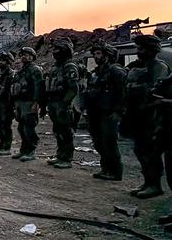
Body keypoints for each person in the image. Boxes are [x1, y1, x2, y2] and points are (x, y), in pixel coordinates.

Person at [122, 34, 170, 198]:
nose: (138, 51)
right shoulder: (139, 67)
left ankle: (154, 185)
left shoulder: (159, 67)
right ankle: (148, 182)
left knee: (151, 152)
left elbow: (154, 92)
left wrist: (136, 88)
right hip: (139, 115)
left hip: (152, 117)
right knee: (140, 150)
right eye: (137, 48)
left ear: (151, 50)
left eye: (141, 49)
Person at [84, 42, 126, 180]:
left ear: (107, 55)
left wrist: (118, 111)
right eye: (94, 54)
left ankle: (115, 171)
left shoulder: (116, 71)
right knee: (99, 142)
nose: (96, 57)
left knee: (109, 142)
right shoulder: (97, 72)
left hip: (109, 113)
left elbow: (123, 93)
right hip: (95, 112)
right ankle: (106, 168)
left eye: (99, 54)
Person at [43, 38, 79, 169]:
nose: (54, 52)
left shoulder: (69, 66)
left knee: (66, 132)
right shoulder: (55, 67)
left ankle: (67, 158)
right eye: (54, 49)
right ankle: (60, 154)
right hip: (53, 103)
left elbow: (73, 88)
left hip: (63, 103)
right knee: (57, 131)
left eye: (57, 49)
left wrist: (65, 103)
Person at [10, 47, 44, 162]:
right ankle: (24, 150)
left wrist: (36, 102)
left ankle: (31, 150)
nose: (24, 57)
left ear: (32, 57)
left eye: (27, 55)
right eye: (23, 54)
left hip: (29, 102)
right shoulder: (21, 71)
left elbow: (38, 88)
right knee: (21, 128)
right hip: (20, 103)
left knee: (29, 128)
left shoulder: (35, 70)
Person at [0, 52, 15, 155]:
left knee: (5, 126)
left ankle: (6, 147)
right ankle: (2, 146)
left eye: (3, 61)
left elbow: (11, 92)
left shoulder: (11, 74)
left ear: (8, 62)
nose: (0, 63)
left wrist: (11, 106)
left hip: (6, 104)